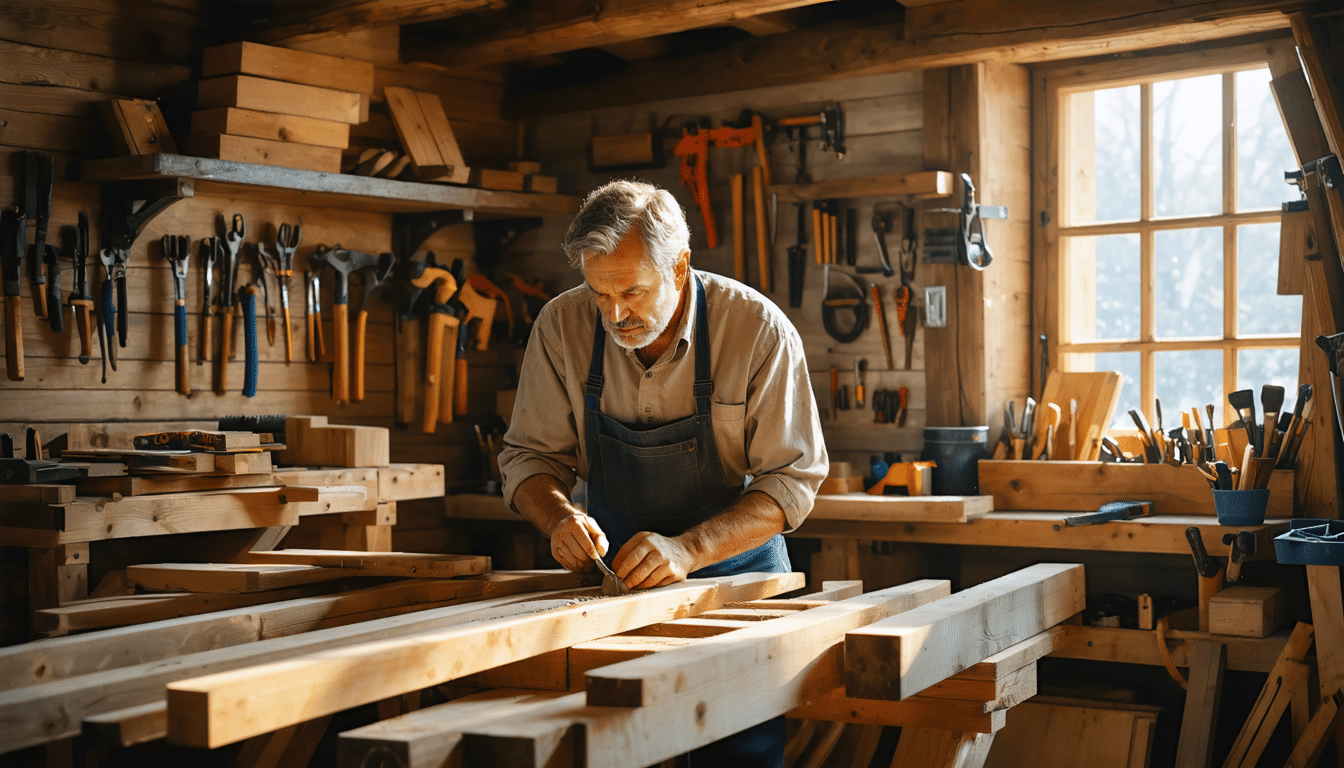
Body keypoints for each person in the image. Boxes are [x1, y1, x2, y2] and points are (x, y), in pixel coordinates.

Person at [498, 179, 828, 766]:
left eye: (631, 292)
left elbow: (790, 482)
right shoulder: (561, 325)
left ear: (679, 268)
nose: (615, 315)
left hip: (736, 584)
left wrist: (688, 549)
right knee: (610, 745)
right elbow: (529, 459)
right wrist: (559, 518)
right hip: (615, 583)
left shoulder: (757, 330)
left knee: (740, 754)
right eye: (600, 295)